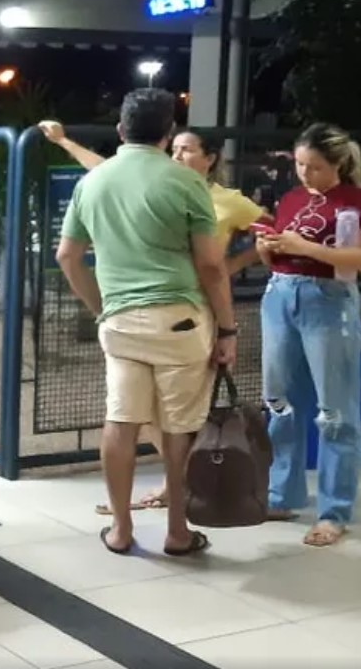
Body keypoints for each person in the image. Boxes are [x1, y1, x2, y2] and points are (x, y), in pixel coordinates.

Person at [42, 122, 268, 513]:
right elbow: (104, 167)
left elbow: (269, 231)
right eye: (174, 148)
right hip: (169, 314)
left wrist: (238, 263)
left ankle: (180, 496)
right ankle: (179, 503)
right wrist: (64, 141)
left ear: (210, 158)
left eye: (187, 150)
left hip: (197, 308)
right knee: (150, 415)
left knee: (167, 416)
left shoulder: (226, 200)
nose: (177, 155)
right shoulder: (157, 182)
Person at [54, 88, 237, 558]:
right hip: (179, 322)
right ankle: (177, 531)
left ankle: (120, 529)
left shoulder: (92, 182)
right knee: (178, 428)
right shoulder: (186, 182)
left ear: (120, 130)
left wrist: (101, 306)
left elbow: (68, 256)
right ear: (168, 133)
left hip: (119, 322)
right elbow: (211, 265)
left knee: (121, 421)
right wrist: (228, 329)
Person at [256, 124, 361, 548]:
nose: (305, 173)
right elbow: (281, 251)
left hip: (328, 300)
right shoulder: (293, 198)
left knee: (335, 410)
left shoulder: (357, 202)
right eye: (299, 164)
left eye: (314, 166)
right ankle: (282, 493)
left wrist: (307, 248)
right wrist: (269, 249)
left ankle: (334, 510)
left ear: (337, 164)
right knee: (280, 400)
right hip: (281, 294)